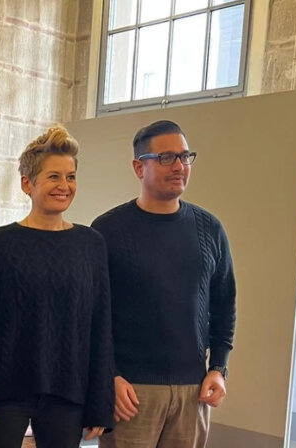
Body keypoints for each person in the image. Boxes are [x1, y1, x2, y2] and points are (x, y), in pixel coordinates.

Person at [91, 120, 236, 448]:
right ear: (138, 167)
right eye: (166, 157)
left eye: (185, 157)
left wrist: (218, 367)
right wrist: (109, 376)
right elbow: (93, 315)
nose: (179, 166)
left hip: (192, 390)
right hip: (131, 392)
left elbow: (224, 303)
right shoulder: (107, 230)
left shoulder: (210, 228)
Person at [0, 125, 114, 448]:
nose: (64, 186)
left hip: (68, 392)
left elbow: (100, 325)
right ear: (27, 183)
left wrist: (100, 402)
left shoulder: (90, 244)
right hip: (4, 391)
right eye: (54, 176)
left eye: (71, 177)